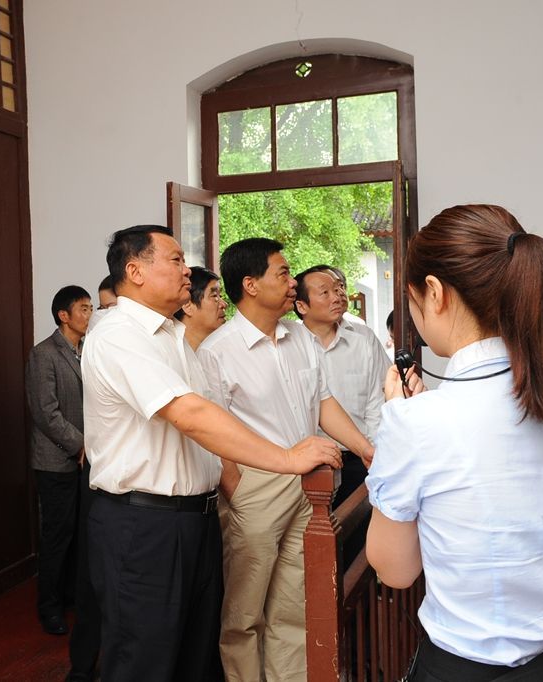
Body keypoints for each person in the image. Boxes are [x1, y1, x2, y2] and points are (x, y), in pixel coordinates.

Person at [365, 204, 543, 681]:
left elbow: (396, 571)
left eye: (413, 301)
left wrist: (400, 423)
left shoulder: (416, 422)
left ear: (434, 293)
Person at [81, 225, 342, 682]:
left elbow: (208, 421)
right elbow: (190, 414)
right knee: (145, 659)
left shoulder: (172, 336)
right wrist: (286, 459)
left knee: (193, 657)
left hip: (192, 517)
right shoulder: (118, 333)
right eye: (176, 260)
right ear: (135, 271)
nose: (188, 270)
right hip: (144, 522)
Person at [197, 239, 375, 682]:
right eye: (282, 272)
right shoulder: (218, 351)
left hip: (307, 485)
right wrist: (237, 490)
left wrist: (365, 448)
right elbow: (212, 432)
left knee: (295, 601)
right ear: (250, 285)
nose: (292, 281)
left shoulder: (299, 337)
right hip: (254, 486)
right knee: (245, 609)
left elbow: (323, 402)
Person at [25, 285, 93, 635]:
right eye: (83, 308)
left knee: (80, 534)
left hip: (86, 458)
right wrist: (80, 446)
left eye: (91, 308)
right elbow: (45, 413)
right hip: (56, 461)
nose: (89, 315)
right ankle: (49, 607)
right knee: (56, 536)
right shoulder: (44, 353)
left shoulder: (88, 350)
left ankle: (72, 596)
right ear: (63, 315)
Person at [295, 264, 391, 505]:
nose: (337, 296)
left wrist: (374, 452)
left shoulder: (362, 339)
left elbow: (377, 400)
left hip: (360, 458)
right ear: (302, 306)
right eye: (325, 292)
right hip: (310, 464)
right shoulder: (291, 346)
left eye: (338, 289)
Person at [173, 265, 227, 350]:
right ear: (187, 306)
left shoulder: (222, 351)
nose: (224, 304)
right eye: (214, 296)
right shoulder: (169, 352)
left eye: (220, 296)